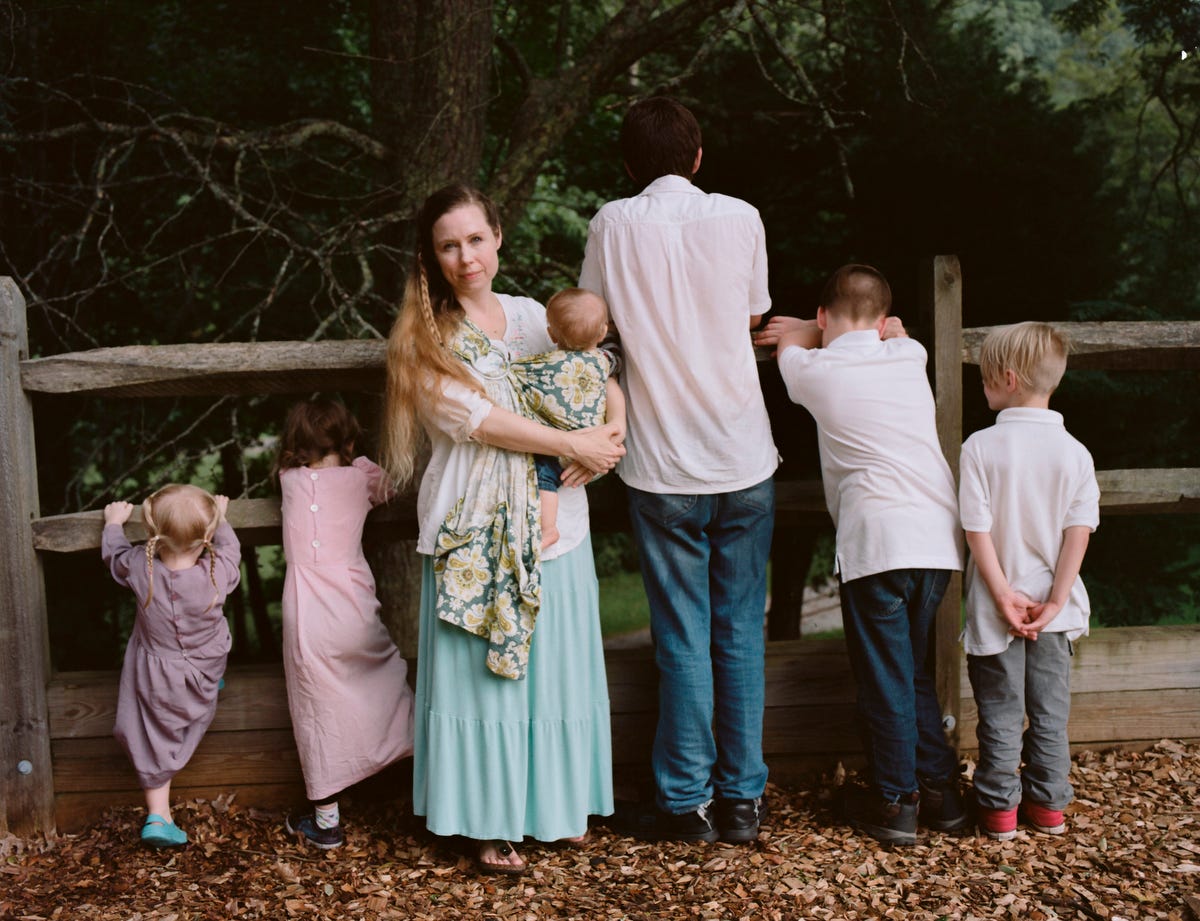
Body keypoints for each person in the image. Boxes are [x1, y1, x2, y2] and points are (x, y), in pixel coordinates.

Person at [381, 184, 623, 875]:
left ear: (498, 238)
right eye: (448, 245)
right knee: (487, 682)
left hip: (555, 529)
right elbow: (478, 421)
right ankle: (487, 820)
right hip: (474, 529)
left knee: (555, 675)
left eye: (476, 239)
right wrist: (567, 444)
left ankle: (556, 805)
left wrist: (613, 433)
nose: (466, 257)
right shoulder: (425, 336)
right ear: (433, 256)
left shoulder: (531, 316)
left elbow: (594, 369)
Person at [579, 96, 778, 845]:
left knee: (683, 637)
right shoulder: (742, 216)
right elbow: (755, 314)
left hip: (661, 463)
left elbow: (592, 322)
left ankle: (686, 802)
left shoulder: (611, 223)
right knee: (739, 629)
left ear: (629, 166)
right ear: (697, 157)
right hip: (740, 452)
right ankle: (742, 799)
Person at [756, 264, 967, 846]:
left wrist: (803, 325)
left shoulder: (814, 371)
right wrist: (870, 328)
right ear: (880, 321)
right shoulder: (909, 356)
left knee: (884, 679)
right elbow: (894, 331)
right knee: (913, 670)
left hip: (878, 542)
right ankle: (943, 794)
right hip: (937, 542)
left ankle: (895, 801)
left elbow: (790, 341)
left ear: (825, 316)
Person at [959, 322, 1099, 840]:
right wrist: (1056, 601)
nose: (983, 387)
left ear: (1008, 378)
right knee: (1049, 714)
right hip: (1054, 617)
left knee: (999, 713)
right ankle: (1048, 809)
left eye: (985, 377)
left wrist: (1001, 597)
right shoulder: (1076, 453)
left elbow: (978, 532)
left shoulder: (980, 447)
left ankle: (998, 813)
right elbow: (1077, 536)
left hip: (997, 608)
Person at [276, 397, 415, 850]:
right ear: (349, 439)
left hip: (308, 615)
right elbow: (389, 488)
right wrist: (359, 460)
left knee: (315, 709)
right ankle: (425, 766)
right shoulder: (361, 476)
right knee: (387, 680)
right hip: (354, 603)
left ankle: (326, 822)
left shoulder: (289, 480)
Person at [102, 484, 240, 848]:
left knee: (151, 735)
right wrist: (222, 519)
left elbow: (114, 555)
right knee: (208, 658)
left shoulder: (138, 568)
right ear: (207, 536)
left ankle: (158, 815)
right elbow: (231, 548)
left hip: (157, 675)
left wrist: (114, 523)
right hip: (206, 664)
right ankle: (207, 685)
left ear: (152, 534)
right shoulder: (218, 571)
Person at [525, 286, 622, 548]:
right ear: (602, 332)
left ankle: (548, 528)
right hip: (599, 451)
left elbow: (513, 377)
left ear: (551, 334)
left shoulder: (543, 363)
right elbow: (616, 367)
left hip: (563, 449)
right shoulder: (604, 361)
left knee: (542, 472)